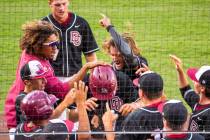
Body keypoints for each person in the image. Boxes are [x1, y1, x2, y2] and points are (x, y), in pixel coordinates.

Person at [5, 20, 104, 131]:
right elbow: (62, 90)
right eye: (52, 45)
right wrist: (85, 68)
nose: (56, 48)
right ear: (39, 45)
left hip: (23, 107)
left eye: (56, 43)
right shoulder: (38, 68)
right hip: (21, 117)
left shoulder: (31, 51)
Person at [42, 0, 99, 81]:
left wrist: (95, 75)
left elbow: (90, 54)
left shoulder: (81, 23)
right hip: (51, 78)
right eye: (57, 5)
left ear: (68, 2)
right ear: (50, 4)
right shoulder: (43, 25)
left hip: (77, 77)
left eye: (64, 4)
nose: (61, 8)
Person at [15, 81, 90, 140]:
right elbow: (84, 137)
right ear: (46, 112)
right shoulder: (54, 130)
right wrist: (80, 103)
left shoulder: (19, 129)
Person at [103, 71, 166, 140]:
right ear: (162, 91)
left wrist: (108, 124)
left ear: (141, 93)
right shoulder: (172, 110)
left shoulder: (135, 118)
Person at [86, 65, 137, 139]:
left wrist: (134, 105)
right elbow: (71, 114)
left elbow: (141, 101)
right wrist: (81, 107)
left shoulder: (123, 80)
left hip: (119, 132)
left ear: (115, 82)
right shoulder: (84, 83)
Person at [170, 54, 210, 140]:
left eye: (195, 80)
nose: (193, 81)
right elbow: (185, 89)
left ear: (202, 88)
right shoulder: (198, 101)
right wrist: (180, 71)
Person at [99, 14, 148, 81]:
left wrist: (109, 27)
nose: (115, 58)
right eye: (112, 55)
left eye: (119, 55)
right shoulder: (112, 67)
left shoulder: (138, 62)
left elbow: (127, 54)